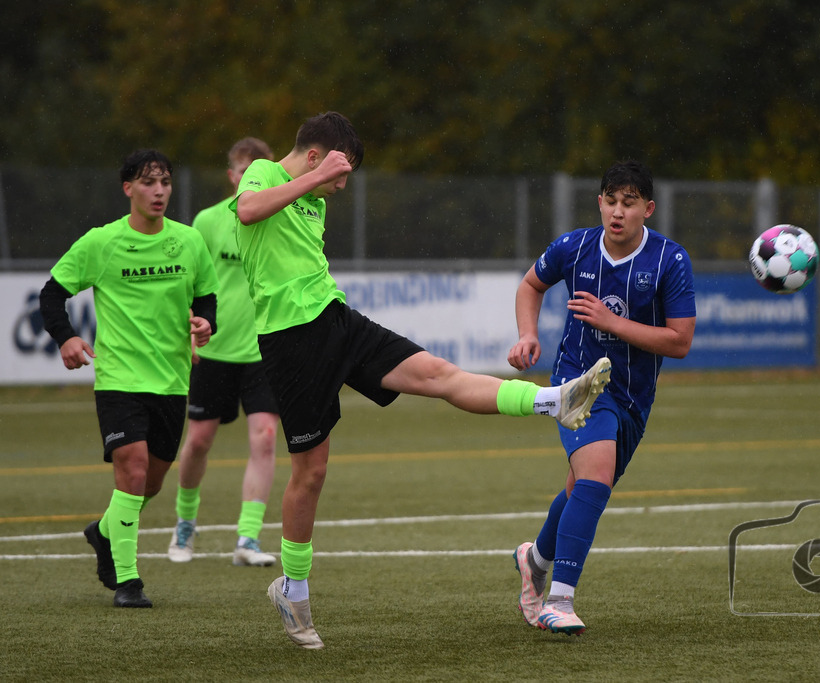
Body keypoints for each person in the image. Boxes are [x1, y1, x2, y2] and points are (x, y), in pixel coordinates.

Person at [231, 111, 613, 649]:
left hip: (337, 320)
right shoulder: (267, 174)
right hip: (290, 343)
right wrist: (315, 178)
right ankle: (292, 588)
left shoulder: (311, 198)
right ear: (316, 157)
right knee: (310, 472)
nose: (342, 185)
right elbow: (247, 213)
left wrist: (314, 186)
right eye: (342, 172)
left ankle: (555, 399)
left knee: (440, 375)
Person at [508, 160, 696, 635]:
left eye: (629, 203)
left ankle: (535, 558)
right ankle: (560, 600)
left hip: (634, 394)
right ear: (599, 202)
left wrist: (612, 323)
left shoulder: (669, 260)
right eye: (610, 201)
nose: (617, 212)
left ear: (647, 209)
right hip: (579, 381)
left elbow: (679, 341)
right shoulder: (574, 247)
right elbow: (531, 284)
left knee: (580, 488)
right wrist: (528, 334)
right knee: (594, 478)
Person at [39, 149, 219, 607]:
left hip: (172, 381)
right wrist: (66, 338)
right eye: (148, 182)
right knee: (132, 469)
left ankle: (103, 532)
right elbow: (52, 294)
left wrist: (204, 323)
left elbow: (207, 298)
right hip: (119, 379)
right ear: (128, 189)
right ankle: (128, 580)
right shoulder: (101, 243)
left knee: (149, 484)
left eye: (165, 183)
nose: (158, 191)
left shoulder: (189, 241)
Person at [168, 137, 280, 568]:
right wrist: (189, 332)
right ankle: (185, 525)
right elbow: (190, 284)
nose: (251, 178)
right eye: (244, 171)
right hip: (213, 351)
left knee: (266, 438)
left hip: (265, 349)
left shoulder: (279, 217)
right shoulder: (209, 221)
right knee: (198, 441)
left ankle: (248, 539)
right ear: (233, 175)